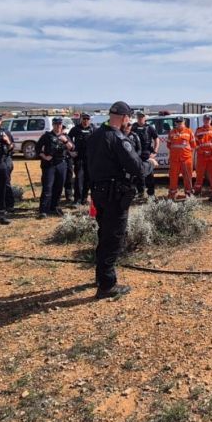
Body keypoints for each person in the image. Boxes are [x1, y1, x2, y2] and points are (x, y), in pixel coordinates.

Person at [87, 101, 156, 299]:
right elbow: (137, 168)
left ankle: (101, 277)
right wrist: (150, 163)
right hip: (114, 196)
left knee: (104, 234)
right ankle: (107, 285)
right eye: (129, 119)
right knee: (113, 238)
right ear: (125, 118)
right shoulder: (118, 139)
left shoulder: (95, 136)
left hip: (99, 193)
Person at [37, 117, 73, 217]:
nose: (58, 126)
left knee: (59, 187)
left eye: (60, 124)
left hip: (61, 164)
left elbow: (72, 148)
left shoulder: (65, 136)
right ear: (53, 125)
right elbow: (37, 148)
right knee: (48, 187)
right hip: (49, 165)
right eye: (56, 124)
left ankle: (54, 207)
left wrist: (65, 141)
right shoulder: (47, 136)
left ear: (62, 125)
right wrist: (44, 156)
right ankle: (43, 210)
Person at [166, 116, 196, 199]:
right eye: (177, 122)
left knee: (188, 177)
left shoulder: (189, 132)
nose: (179, 124)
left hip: (186, 159)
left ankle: (188, 193)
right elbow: (168, 145)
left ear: (184, 122)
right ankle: (173, 194)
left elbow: (193, 146)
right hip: (174, 160)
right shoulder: (171, 132)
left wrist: (186, 153)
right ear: (175, 123)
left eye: (181, 122)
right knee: (173, 177)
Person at [130, 113, 159, 200]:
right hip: (136, 155)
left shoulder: (150, 128)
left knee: (149, 175)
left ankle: (151, 194)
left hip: (147, 154)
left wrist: (155, 151)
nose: (140, 118)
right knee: (138, 175)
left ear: (145, 118)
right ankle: (140, 193)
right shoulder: (133, 127)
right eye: (138, 117)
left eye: (142, 117)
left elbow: (156, 139)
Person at [69, 113, 95, 205]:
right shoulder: (76, 129)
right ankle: (77, 200)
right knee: (79, 178)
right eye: (84, 119)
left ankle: (84, 198)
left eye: (87, 119)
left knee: (88, 179)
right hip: (79, 158)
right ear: (81, 119)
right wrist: (71, 149)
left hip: (89, 158)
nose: (85, 121)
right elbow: (68, 139)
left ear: (90, 120)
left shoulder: (93, 129)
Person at [193, 114, 212, 196]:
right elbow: (195, 144)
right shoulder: (199, 130)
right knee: (199, 173)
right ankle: (197, 190)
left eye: (208, 119)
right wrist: (202, 152)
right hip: (202, 156)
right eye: (205, 119)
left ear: (211, 120)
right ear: (203, 120)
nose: (207, 121)